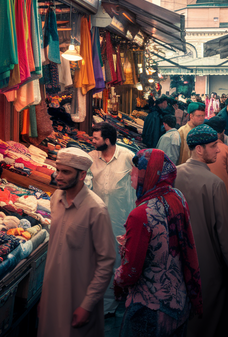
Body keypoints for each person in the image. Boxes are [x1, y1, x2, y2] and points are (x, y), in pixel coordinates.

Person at [114, 149, 202, 336]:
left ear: (149, 173)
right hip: (178, 301)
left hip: (149, 310)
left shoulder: (140, 214)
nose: (131, 174)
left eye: (136, 169)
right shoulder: (176, 196)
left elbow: (131, 272)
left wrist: (117, 277)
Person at [38, 148, 116, 337]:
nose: (59, 176)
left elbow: (106, 262)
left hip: (78, 300)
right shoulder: (56, 198)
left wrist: (87, 305)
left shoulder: (96, 210)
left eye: (66, 172)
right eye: (58, 170)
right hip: (53, 295)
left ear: (82, 175)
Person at [175, 125, 228, 337]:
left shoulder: (174, 175)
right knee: (212, 316)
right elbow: (224, 232)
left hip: (178, 258)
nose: (218, 150)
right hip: (208, 262)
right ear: (200, 149)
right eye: (213, 147)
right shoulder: (215, 183)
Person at [89, 122, 136, 316]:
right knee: (98, 259)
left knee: (118, 259)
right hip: (96, 219)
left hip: (121, 217)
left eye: (95, 138)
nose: (92, 141)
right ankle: (101, 303)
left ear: (107, 140)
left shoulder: (128, 157)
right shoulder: (91, 158)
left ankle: (114, 302)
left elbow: (138, 181)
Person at [205, 116, 228, 196]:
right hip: (223, 186)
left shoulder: (204, 143)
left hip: (207, 186)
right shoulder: (227, 144)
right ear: (223, 131)